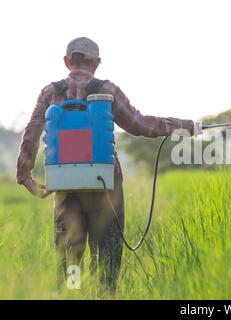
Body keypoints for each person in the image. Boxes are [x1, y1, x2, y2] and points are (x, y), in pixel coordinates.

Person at [16, 37, 199, 294]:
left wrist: (25, 175)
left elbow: (32, 131)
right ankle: (105, 294)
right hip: (105, 185)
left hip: (65, 187)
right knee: (108, 255)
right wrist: (184, 125)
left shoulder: (50, 92)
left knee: (69, 259)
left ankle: (72, 293)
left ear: (67, 62)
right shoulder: (108, 90)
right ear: (97, 64)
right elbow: (142, 125)